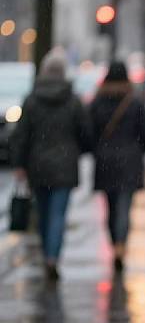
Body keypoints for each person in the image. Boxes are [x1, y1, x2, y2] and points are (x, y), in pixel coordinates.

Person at [10, 49, 92, 281]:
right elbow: (85, 132)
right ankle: (52, 257)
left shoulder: (32, 99)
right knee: (58, 214)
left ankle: (47, 250)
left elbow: (21, 134)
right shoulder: (73, 100)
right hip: (65, 164)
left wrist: (20, 163)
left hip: (38, 164)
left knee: (44, 212)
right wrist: (79, 149)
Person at [89, 61, 145, 273]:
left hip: (105, 162)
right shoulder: (134, 102)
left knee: (110, 208)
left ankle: (115, 243)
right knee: (124, 207)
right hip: (129, 161)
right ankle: (121, 246)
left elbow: (89, 132)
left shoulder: (97, 102)